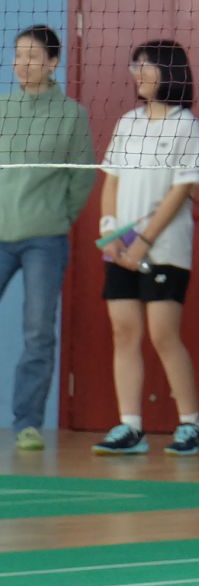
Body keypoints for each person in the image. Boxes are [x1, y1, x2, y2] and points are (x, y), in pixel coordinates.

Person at [92, 41, 199, 455]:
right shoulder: (128, 122)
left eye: (146, 66)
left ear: (168, 71)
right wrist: (111, 233)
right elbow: (112, 180)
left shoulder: (186, 124)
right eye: (135, 65)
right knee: (124, 332)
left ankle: (192, 424)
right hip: (120, 247)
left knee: (163, 335)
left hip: (165, 248)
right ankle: (130, 426)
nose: (137, 73)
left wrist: (144, 241)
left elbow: (182, 189)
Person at [0, 25, 96, 451]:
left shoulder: (72, 115)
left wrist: (59, 216)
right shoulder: (2, 108)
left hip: (45, 239)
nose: (22, 64)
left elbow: (82, 178)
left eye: (33, 56)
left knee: (38, 332)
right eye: (18, 55)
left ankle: (27, 423)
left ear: (53, 63)